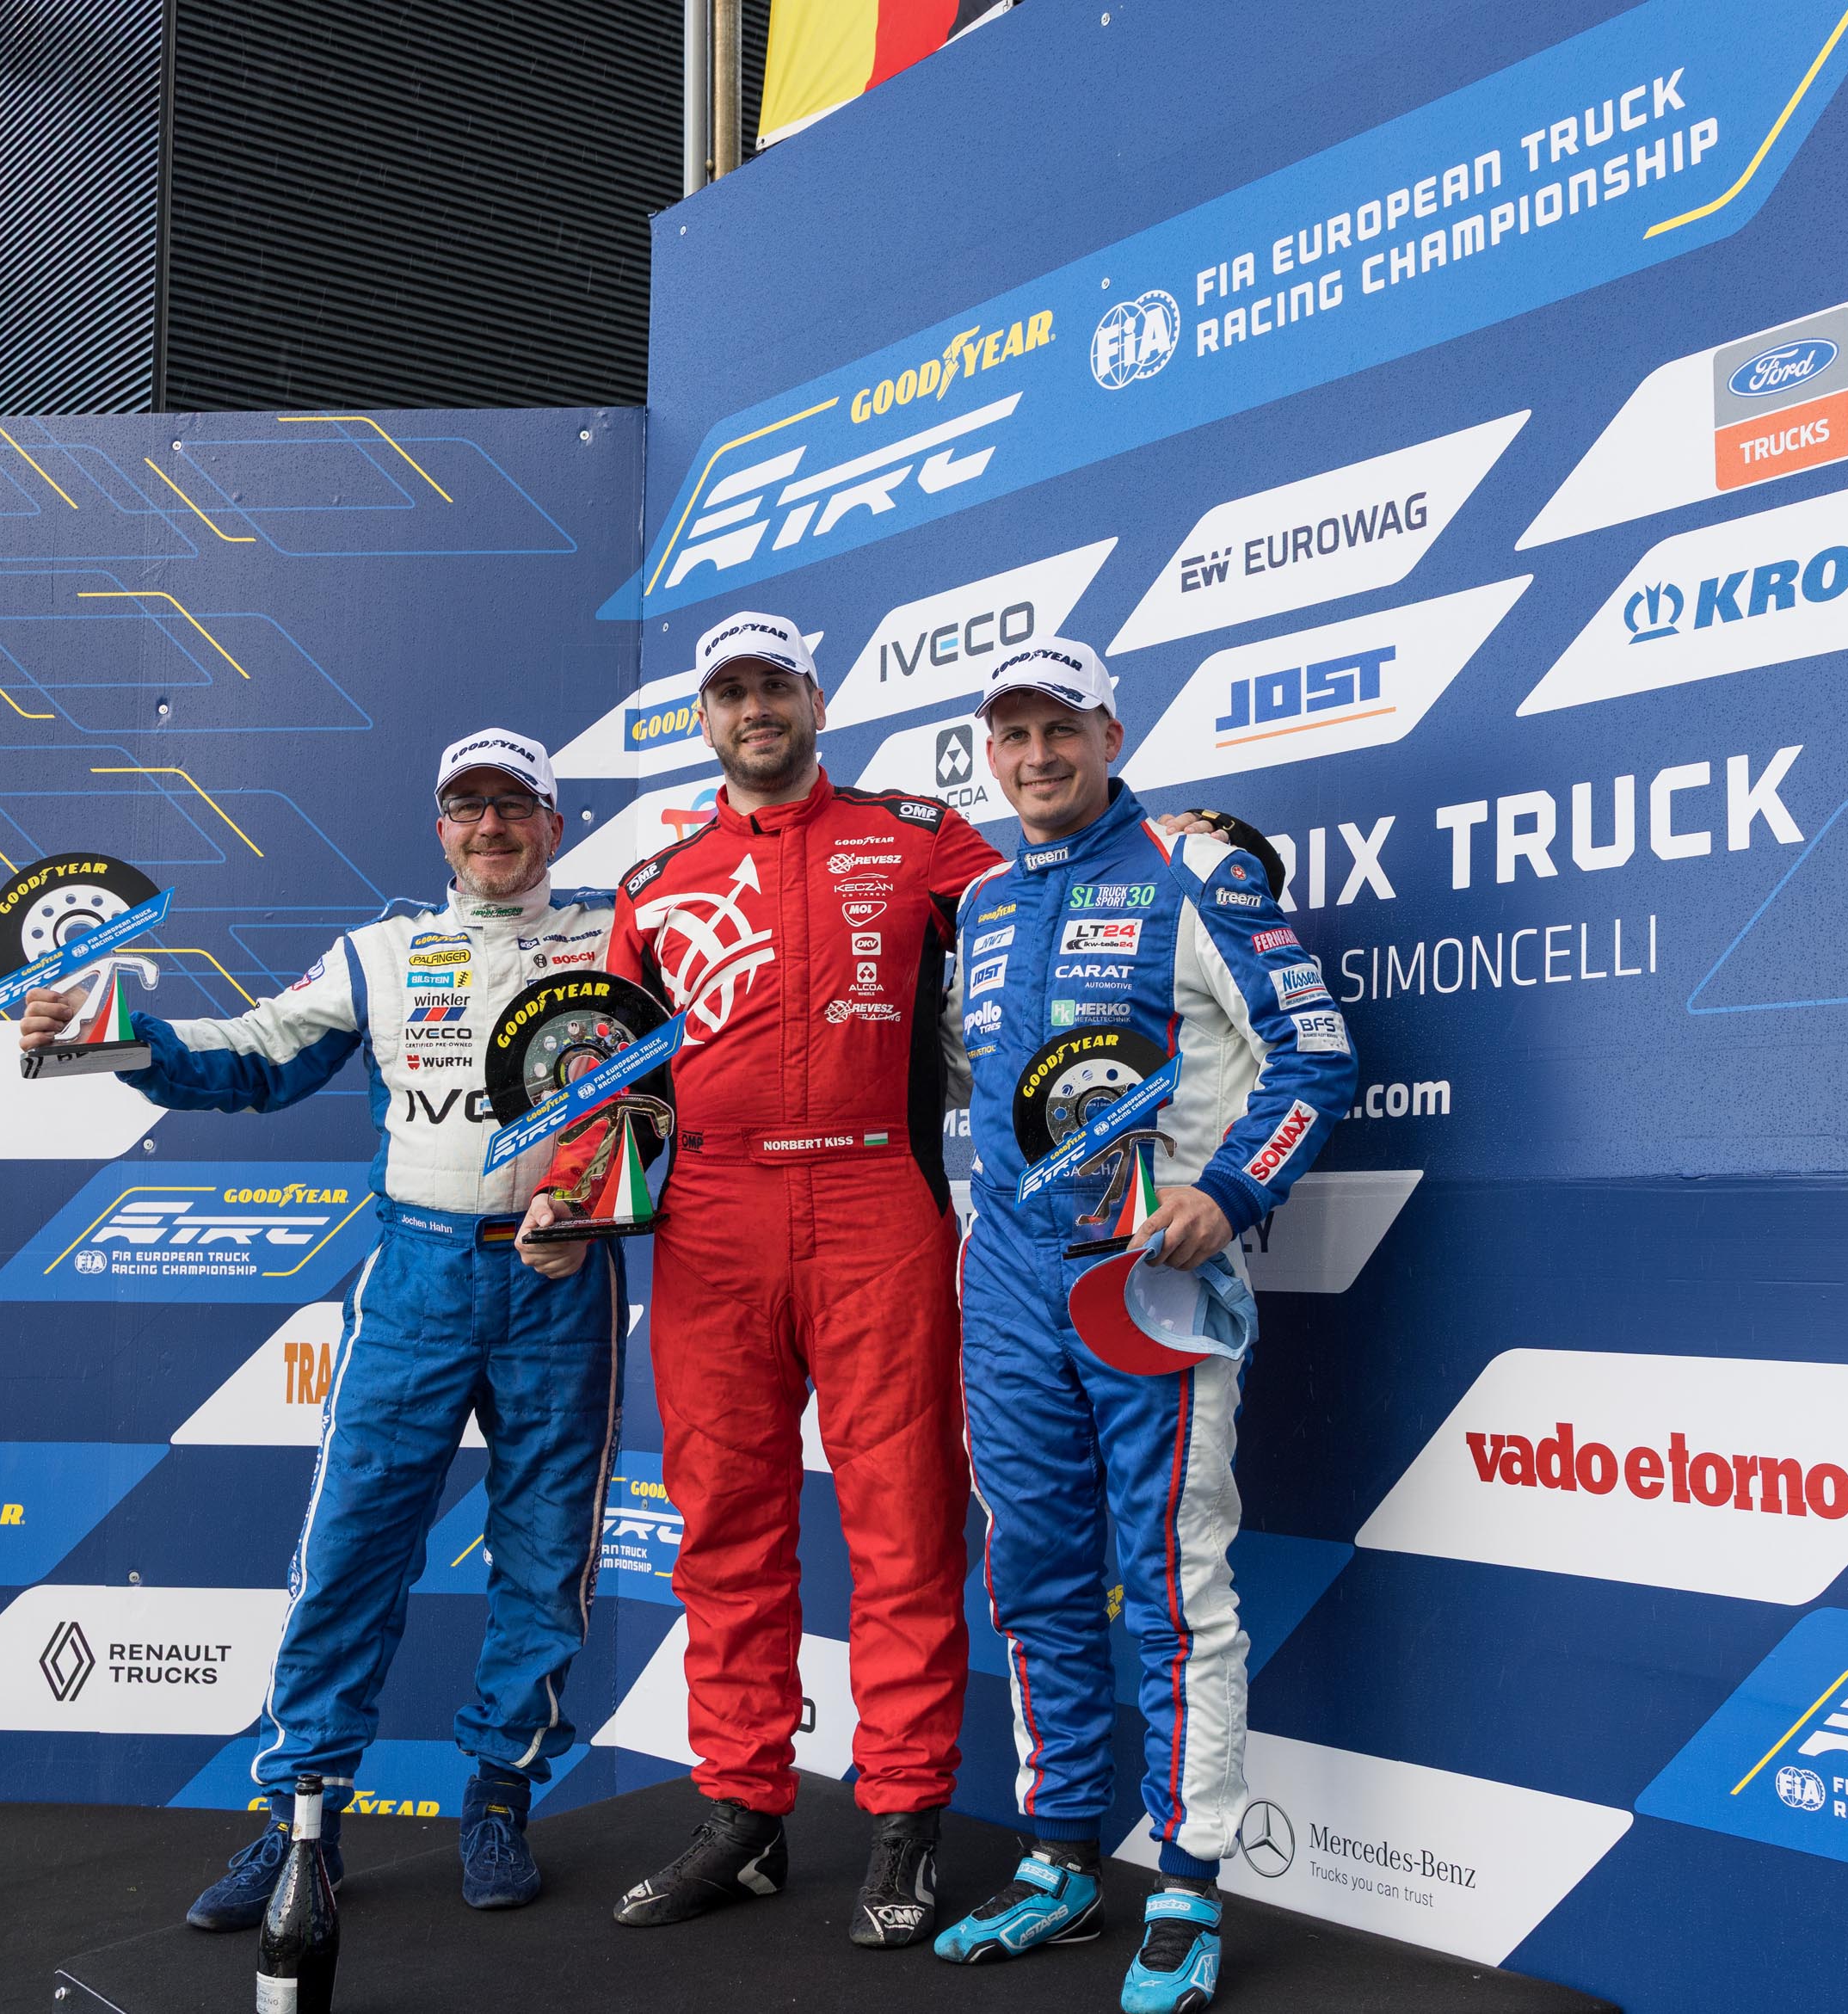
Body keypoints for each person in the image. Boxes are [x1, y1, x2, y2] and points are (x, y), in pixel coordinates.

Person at [16, 730, 625, 1927]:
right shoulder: (383, 952)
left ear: (554, 824)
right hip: (417, 1276)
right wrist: (111, 1032)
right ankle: (302, 1819)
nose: (491, 826)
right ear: (439, 828)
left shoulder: (619, 934)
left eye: (515, 805)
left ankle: (500, 1801)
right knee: (350, 1550)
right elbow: (259, 1057)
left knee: (547, 1558)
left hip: (559, 1279)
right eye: (468, 807)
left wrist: (605, 1204)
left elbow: (677, 1082)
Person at [522, 610, 996, 1949]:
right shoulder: (656, 880)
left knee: (904, 1518)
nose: (755, 710)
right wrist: (572, 1194)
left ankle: (904, 1813)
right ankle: (743, 1813)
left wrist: (1160, 849)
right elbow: (608, 1072)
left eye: (775, 686)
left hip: (877, 1197)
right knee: (726, 1523)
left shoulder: (921, 836)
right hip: (713, 1219)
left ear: (816, 700)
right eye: (729, 692)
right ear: (705, 716)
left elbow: (1045, 915)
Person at [932, 641, 1355, 2014]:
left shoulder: (1195, 865)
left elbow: (1315, 1053)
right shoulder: (985, 899)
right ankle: (1061, 1856)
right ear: (988, 751)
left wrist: (1226, 1194)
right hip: (1009, 1279)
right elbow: (976, 1088)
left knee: (1175, 1581)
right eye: (1012, 733)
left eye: (1061, 727)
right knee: (1034, 1572)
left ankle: (1186, 1880)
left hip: (1148, 1277)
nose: (1037, 755)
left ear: (1110, 732)